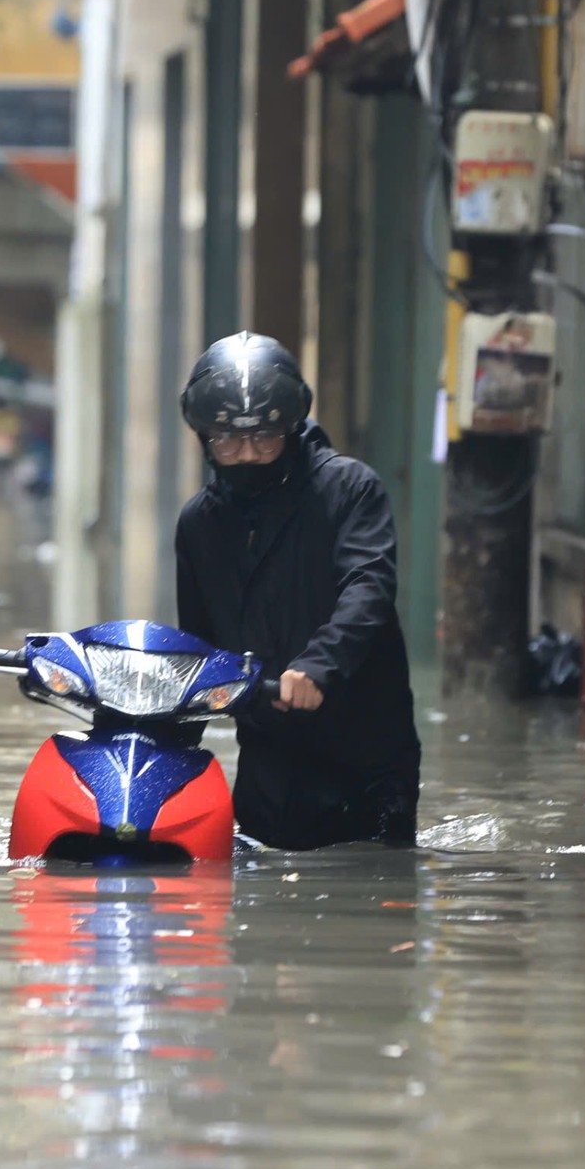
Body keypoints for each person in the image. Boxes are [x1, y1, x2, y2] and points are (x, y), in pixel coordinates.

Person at [173, 331, 422, 850]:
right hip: (268, 756)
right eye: (228, 441)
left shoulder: (349, 490)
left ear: (290, 429)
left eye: (264, 439)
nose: (247, 455)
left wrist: (317, 666)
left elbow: (368, 586)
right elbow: (195, 650)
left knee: (368, 895)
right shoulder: (200, 525)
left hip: (363, 753)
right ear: (204, 440)